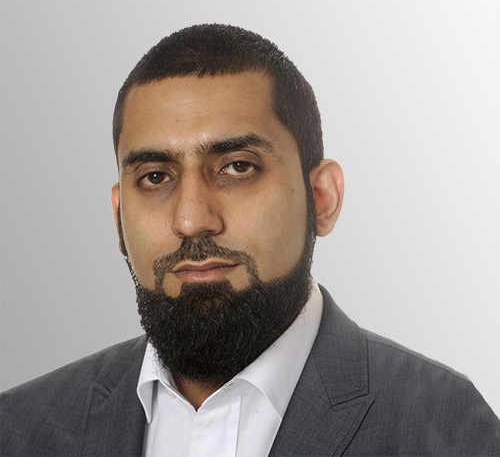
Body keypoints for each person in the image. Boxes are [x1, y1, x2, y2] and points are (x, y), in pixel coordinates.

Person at [1, 24, 498, 457]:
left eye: (238, 167)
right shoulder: (17, 429)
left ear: (322, 199)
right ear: (117, 217)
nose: (192, 220)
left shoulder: (449, 431)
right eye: (155, 177)